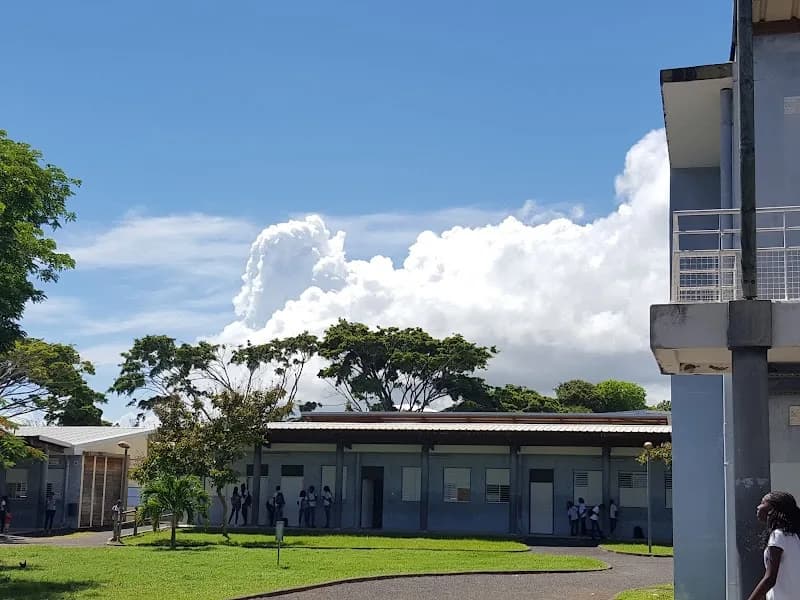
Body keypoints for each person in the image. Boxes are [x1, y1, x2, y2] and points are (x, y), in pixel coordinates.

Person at [746, 491, 800, 600]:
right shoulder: (794, 537)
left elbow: (770, 579)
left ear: (773, 508)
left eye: (762, 502)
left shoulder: (778, 536)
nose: (758, 507)